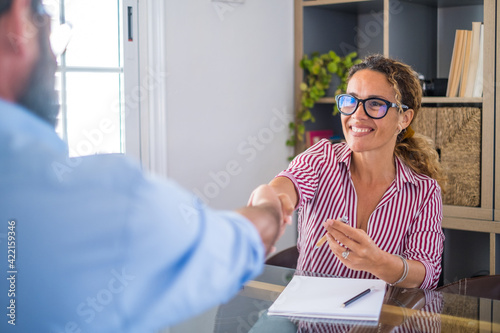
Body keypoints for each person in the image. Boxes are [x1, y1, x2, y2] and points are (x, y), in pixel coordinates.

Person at [0, 0, 293, 332]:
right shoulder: (107, 201)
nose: (55, 59)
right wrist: (268, 205)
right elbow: (239, 241)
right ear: (19, 23)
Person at [250, 54, 446, 290]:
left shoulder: (423, 191)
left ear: (404, 118)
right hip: (308, 321)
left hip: (381, 323)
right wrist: (269, 203)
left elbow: (427, 275)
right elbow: (286, 186)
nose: (357, 115)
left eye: (375, 103)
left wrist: (378, 262)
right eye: (350, 101)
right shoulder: (321, 159)